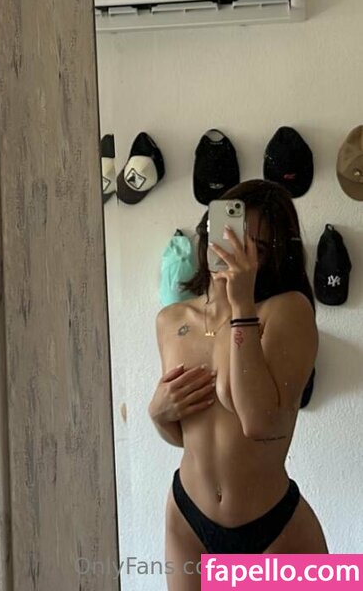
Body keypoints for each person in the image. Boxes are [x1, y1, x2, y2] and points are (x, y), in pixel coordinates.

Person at [148, 180, 327, 590]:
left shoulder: (288, 310)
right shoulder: (170, 321)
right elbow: (189, 438)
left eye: (255, 247)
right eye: (230, 234)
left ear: (273, 255)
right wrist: (158, 414)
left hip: (274, 528)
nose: (235, 250)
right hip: (188, 517)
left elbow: (259, 422)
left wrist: (240, 304)